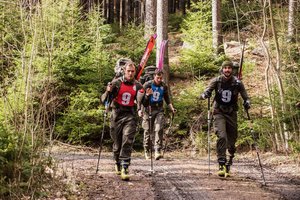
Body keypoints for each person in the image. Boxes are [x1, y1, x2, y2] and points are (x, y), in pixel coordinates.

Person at [199, 60, 250, 177]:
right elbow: (207, 91)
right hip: (219, 112)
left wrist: (247, 102)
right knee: (221, 136)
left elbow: (245, 96)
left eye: (229, 68)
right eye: (225, 68)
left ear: (232, 70)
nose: (227, 70)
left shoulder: (237, 83)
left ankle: (229, 161)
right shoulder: (217, 81)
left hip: (232, 113)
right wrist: (205, 95)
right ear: (222, 69)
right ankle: (221, 163)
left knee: (232, 142)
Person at [101, 60, 144, 181]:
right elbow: (104, 100)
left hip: (130, 115)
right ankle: (117, 162)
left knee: (128, 139)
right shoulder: (116, 83)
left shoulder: (138, 85)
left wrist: (147, 96)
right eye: (128, 71)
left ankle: (125, 166)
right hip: (116, 114)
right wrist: (108, 91)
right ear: (124, 71)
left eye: (132, 71)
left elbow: (143, 102)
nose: (130, 73)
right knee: (117, 143)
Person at [141, 69, 175, 160]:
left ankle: (157, 150)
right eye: (158, 77)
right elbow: (142, 101)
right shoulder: (147, 85)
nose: (159, 79)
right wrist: (147, 96)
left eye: (161, 78)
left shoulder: (164, 86)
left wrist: (171, 108)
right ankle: (147, 150)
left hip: (159, 109)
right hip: (148, 109)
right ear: (154, 76)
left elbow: (167, 98)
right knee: (148, 130)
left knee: (159, 128)